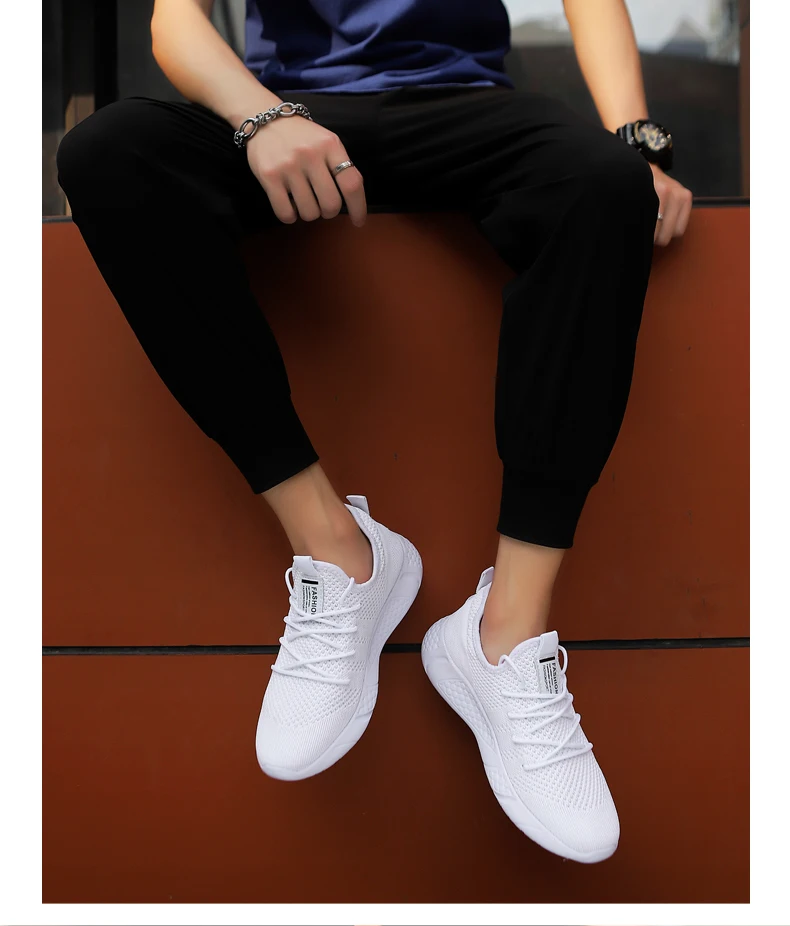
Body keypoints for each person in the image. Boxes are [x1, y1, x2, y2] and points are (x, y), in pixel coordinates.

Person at [56, 0, 692, 864]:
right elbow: (175, 22)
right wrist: (262, 118)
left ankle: (505, 634)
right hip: (295, 111)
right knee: (107, 152)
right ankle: (340, 552)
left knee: (606, 185)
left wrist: (636, 142)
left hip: (468, 108)